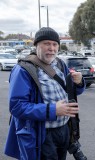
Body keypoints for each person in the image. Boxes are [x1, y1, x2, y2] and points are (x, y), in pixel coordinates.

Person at [4, 27, 86, 160]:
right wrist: (53, 110)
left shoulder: (60, 64)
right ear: (36, 45)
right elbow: (17, 107)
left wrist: (79, 83)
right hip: (42, 134)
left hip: (64, 130)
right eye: (46, 44)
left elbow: (70, 92)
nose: (51, 48)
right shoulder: (23, 69)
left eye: (54, 44)